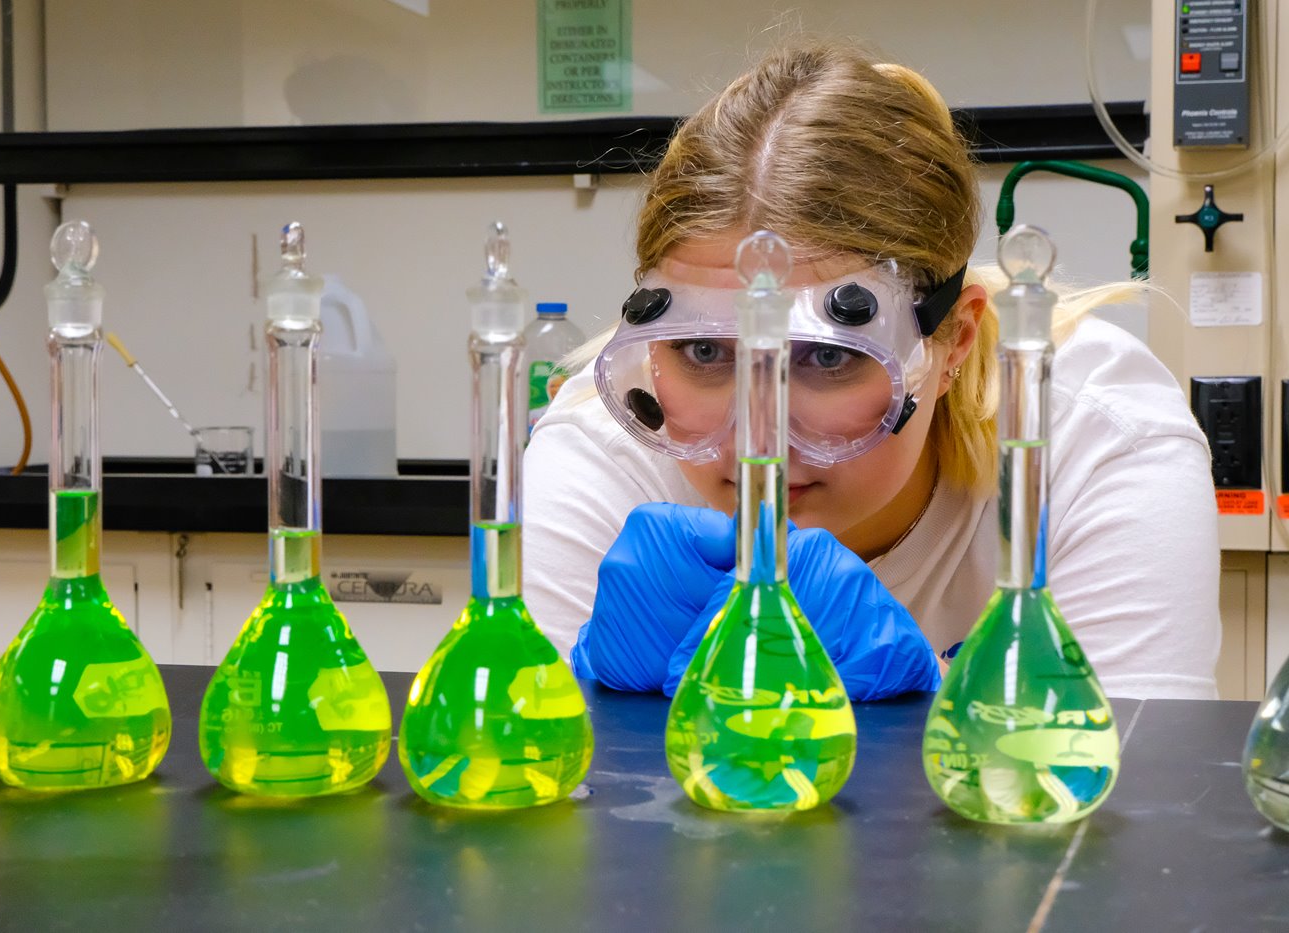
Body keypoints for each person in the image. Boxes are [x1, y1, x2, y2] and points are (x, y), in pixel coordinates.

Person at [522, 40, 1221, 701]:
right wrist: (604, 710)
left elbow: (1142, 803)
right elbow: (532, 800)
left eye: (828, 356)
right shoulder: (604, 447)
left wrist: (920, 717)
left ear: (952, 342)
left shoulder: (1095, 439)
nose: (753, 439)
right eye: (704, 351)